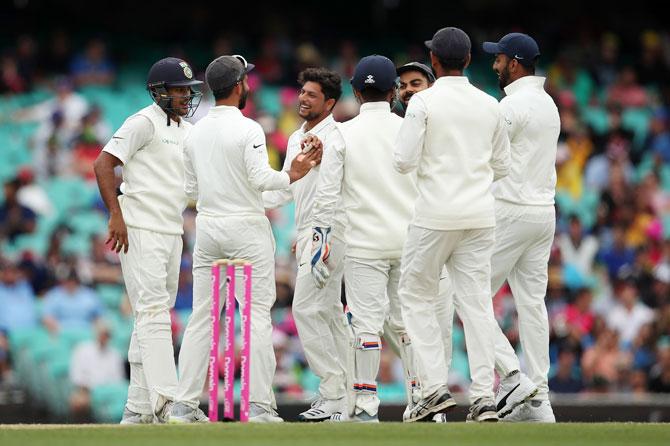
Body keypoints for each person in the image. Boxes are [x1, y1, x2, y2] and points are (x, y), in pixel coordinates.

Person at [170, 55, 321, 423]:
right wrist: (293, 172)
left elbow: (191, 188)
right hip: (245, 230)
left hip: (208, 227)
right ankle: (258, 407)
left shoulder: (195, 131)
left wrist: (278, 186)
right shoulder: (249, 128)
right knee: (255, 317)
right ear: (239, 86)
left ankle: (184, 405)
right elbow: (260, 179)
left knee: (203, 316)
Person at [394, 27, 510, 422]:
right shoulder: (490, 103)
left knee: (414, 296)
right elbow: (502, 166)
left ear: (434, 62)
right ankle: (483, 397)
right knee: (477, 304)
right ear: (468, 60)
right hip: (480, 216)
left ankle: (433, 389)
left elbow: (404, 161)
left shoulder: (422, 103)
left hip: (434, 215)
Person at [93, 56, 203, 424]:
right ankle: (168, 402)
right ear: (159, 92)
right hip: (140, 228)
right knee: (154, 313)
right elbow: (103, 163)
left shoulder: (187, 130)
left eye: (189, 90)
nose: (186, 96)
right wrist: (116, 214)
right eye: (179, 90)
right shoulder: (143, 122)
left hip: (171, 231)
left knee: (151, 316)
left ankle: (137, 408)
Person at [311, 55, 420, 423]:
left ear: (356, 92)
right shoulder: (409, 128)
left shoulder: (342, 133)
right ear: (393, 93)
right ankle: (421, 402)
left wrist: (320, 243)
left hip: (364, 246)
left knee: (366, 325)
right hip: (408, 242)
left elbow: (326, 196)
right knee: (408, 325)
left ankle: (365, 406)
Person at [262, 68, 350, 421]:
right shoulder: (299, 135)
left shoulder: (335, 138)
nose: (303, 98)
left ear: (329, 103)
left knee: (304, 310)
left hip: (328, 235)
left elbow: (330, 194)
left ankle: (331, 391)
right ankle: (347, 397)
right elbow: (287, 188)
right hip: (312, 234)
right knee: (330, 316)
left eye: (312, 95)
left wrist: (318, 237)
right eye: (302, 92)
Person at [482, 32, 561, 422]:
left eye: (498, 59)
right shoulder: (548, 103)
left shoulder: (511, 107)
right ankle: (540, 400)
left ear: (513, 63)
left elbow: (486, 158)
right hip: (543, 213)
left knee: (469, 295)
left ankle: (514, 377)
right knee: (532, 305)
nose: (494, 65)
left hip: (510, 211)